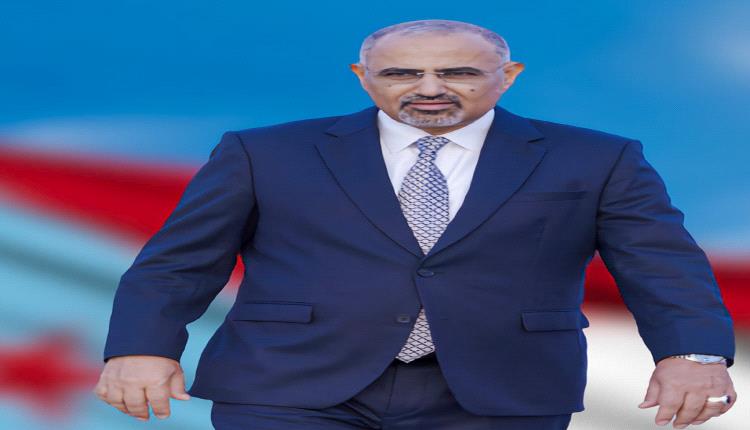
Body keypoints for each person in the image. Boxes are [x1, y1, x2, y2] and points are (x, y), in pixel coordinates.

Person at [94, 19, 737, 430]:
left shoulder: (596, 158)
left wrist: (692, 356)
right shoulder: (264, 152)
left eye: (458, 72)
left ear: (508, 76)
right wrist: (140, 348)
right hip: (287, 385)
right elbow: (179, 262)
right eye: (402, 73)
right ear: (363, 77)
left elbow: (661, 263)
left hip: (504, 387)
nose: (429, 88)